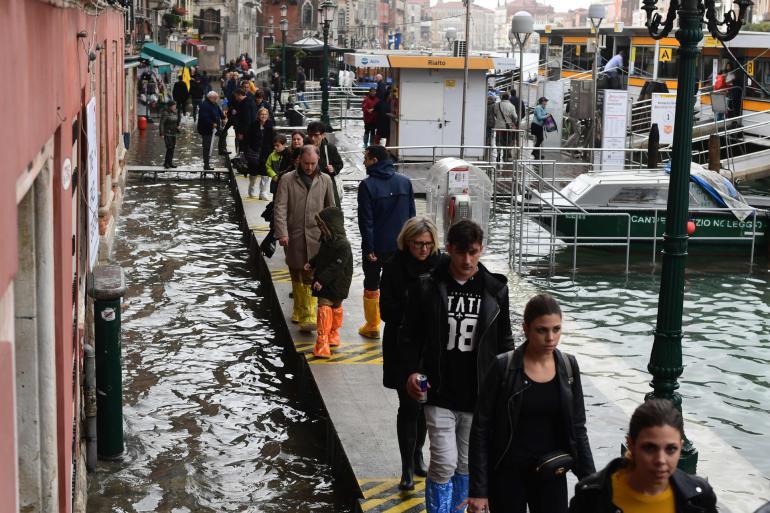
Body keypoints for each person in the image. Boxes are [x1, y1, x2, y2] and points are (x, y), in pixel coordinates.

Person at [402, 220, 515, 513]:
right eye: (461, 253)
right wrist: (411, 371)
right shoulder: (427, 286)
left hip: (479, 394)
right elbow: (410, 336)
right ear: (449, 249)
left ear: (481, 250)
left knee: (465, 464)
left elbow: (504, 343)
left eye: (474, 253)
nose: (467, 260)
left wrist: (510, 385)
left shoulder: (495, 290)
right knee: (444, 462)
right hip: (438, 390)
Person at [465, 293, 595, 513]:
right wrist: (478, 490)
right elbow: (480, 429)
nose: (550, 338)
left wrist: (592, 483)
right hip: (508, 476)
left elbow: (578, 428)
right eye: (542, 330)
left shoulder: (568, 367)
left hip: (552, 473)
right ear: (526, 329)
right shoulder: (502, 367)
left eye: (556, 329)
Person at [569, 399, 717, 513]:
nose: (660, 460)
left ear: (681, 446)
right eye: (649, 448)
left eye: (671, 449)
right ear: (631, 445)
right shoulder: (592, 497)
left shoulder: (700, 497)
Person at [380, 216, 441, 490]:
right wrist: (413, 308)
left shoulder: (440, 264)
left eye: (428, 244)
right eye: (418, 244)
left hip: (429, 348)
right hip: (402, 347)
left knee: (424, 403)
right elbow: (386, 312)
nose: (424, 249)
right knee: (408, 405)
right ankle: (407, 466)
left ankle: (417, 454)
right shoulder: (393, 266)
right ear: (407, 242)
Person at [274, 145, 336, 332]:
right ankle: (299, 308)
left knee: (311, 273)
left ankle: (308, 312)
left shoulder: (325, 179)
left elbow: (331, 208)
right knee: (296, 270)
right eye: (306, 163)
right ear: (299, 160)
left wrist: (333, 234)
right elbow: (280, 207)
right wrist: (282, 232)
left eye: (313, 163)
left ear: (318, 161)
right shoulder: (287, 179)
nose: (309, 167)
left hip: (317, 235)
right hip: (294, 234)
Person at [356, 144, 415, 339]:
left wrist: (369, 247)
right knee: (400, 283)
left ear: (374, 161)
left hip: (377, 245)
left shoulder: (367, 185)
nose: (363, 162)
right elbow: (412, 217)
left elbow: (367, 221)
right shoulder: (405, 183)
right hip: (400, 245)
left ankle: (372, 325)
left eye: (366, 158)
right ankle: (402, 321)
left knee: (372, 282)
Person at [304, 206, 353, 358]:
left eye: (322, 225)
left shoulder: (343, 245)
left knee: (333, 307)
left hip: (337, 282)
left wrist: (321, 280)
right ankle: (327, 338)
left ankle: (328, 338)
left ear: (331, 226)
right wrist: (312, 263)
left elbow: (336, 266)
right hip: (329, 281)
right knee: (325, 305)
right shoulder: (327, 240)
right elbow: (322, 256)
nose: (320, 228)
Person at [307, 121, 344, 207]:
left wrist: (333, 169)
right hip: (308, 184)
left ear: (323, 135)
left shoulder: (330, 148)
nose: (312, 138)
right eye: (310, 135)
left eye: (316, 135)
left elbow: (339, 163)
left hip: (327, 184)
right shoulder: (304, 148)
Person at [245, 107, 275, 199]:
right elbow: (248, 139)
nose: (264, 116)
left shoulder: (271, 125)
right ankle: (252, 188)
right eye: (262, 114)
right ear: (258, 115)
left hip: (266, 152)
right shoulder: (253, 125)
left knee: (265, 172)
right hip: (254, 152)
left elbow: (274, 139)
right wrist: (247, 150)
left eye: (265, 114)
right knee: (253, 173)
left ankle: (263, 192)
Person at [197, 91, 223, 171]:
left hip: (215, 128)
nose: (216, 99)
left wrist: (223, 117)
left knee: (223, 133)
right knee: (207, 147)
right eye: (215, 98)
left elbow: (219, 111)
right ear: (210, 97)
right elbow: (204, 118)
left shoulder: (214, 103)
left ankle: (222, 149)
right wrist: (211, 123)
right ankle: (206, 164)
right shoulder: (205, 105)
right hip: (207, 129)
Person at [494, 92, 518, 161]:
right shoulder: (511, 106)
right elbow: (515, 117)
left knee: (498, 140)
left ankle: (498, 154)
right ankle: (505, 155)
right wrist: (513, 122)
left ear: (502, 97)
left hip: (499, 126)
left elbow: (495, 114)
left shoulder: (497, 105)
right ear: (508, 98)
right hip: (508, 127)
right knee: (507, 141)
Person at [232, 88, 257, 152]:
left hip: (246, 132)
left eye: (235, 96)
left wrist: (241, 132)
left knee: (243, 148)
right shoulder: (250, 101)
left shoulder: (245, 104)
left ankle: (242, 160)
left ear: (239, 95)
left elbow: (246, 120)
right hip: (250, 130)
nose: (235, 98)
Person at [159, 101, 179, 169]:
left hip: (173, 133)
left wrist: (177, 127)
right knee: (169, 148)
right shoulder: (165, 113)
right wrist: (162, 133)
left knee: (172, 148)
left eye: (175, 106)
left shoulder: (175, 112)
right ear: (170, 106)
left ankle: (170, 163)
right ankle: (166, 163)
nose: (175, 107)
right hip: (167, 133)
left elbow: (175, 122)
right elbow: (161, 123)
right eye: (174, 106)